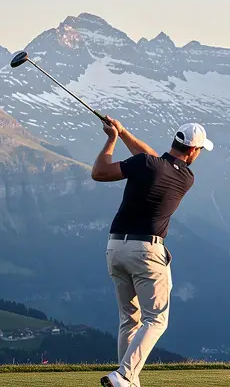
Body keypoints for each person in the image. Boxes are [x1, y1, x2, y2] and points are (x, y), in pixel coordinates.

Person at [90, 115, 213, 387]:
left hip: (115, 248)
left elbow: (141, 160)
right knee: (155, 319)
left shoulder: (146, 165)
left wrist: (115, 137)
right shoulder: (186, 178)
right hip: (146, 252)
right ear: (193, 151)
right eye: (200, 151)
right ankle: (124, 375)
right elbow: (99, 172)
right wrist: (117, 136)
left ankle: (128, 380)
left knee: (129, 320)